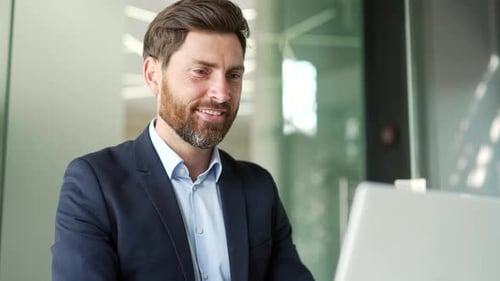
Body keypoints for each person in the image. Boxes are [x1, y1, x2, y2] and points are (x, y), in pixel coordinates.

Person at [51, 0, 314, 280]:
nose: (222, 93)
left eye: (233, 75)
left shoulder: (258, 187)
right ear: (153, 75)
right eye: (201, 71)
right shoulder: (95, 183)